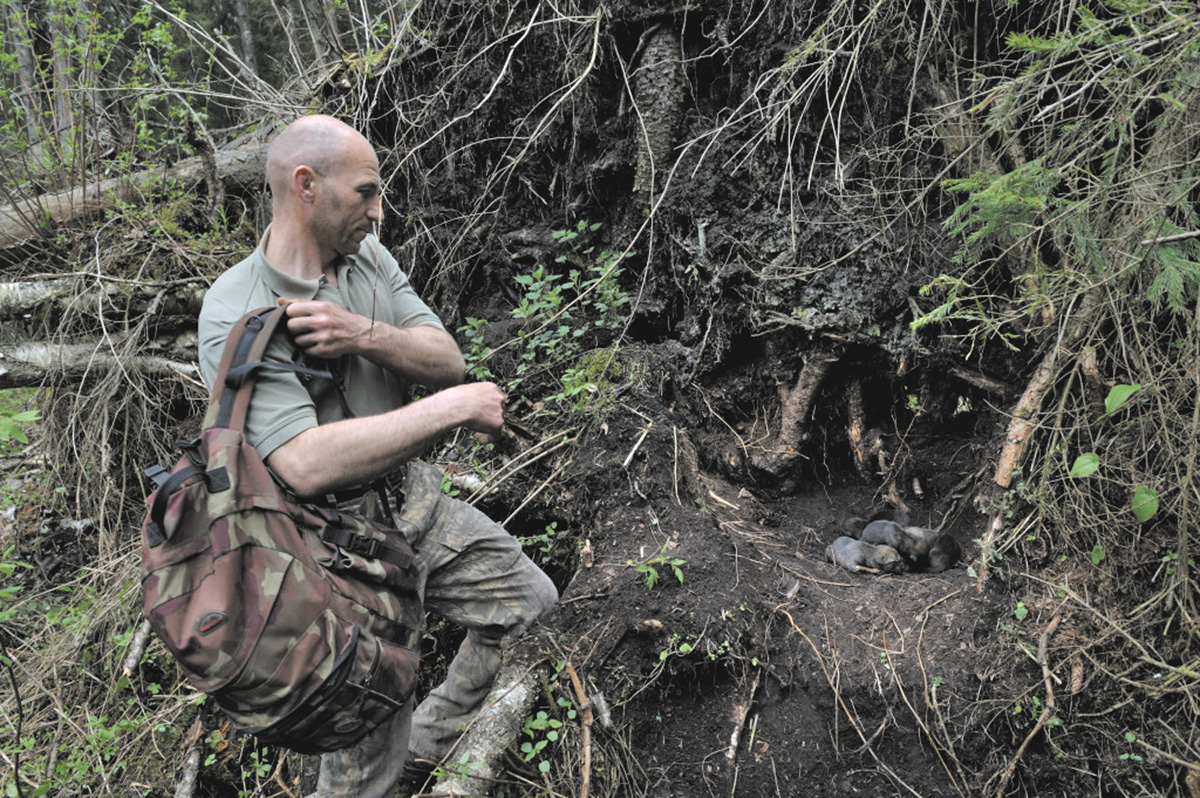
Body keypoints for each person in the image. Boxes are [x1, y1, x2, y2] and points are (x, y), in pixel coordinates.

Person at [197, 114, 559, 797]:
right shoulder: (236, 308)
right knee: (365, 764)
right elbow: (303, 463)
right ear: (307, 185)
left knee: (531, 605)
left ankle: (427, 748)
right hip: (335, 554)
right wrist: (453, 409)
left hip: (414, 503)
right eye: (365, 192)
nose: (379, 210)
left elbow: (445, 357)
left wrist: (360, 333)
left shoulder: (367, 259)